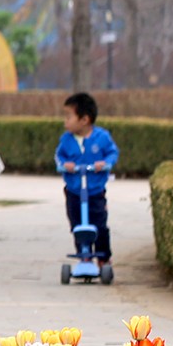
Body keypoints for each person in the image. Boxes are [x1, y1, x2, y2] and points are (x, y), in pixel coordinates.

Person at [55, 91, 118, 264]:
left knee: (99, 225)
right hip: (74, 190)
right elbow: (59, 156)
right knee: (77, 225)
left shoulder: (102, 137)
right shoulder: (66, 140)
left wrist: (105, 163)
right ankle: (84, 255)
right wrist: (64, 165)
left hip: (95, 190)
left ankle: (104, 257)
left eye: (69, 117)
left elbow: (113, 153)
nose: (65, 121)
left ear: (85, 120)